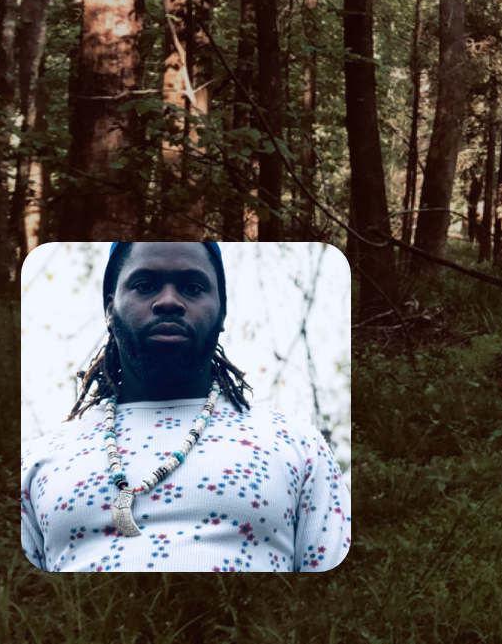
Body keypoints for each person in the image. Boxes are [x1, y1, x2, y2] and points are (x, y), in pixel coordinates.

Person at [20, 242, 350, 572]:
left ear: (222, 313)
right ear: (110, 309)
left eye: (192, 288)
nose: (168, 301)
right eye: (144, 286)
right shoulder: (40, 460)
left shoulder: (296, 443)